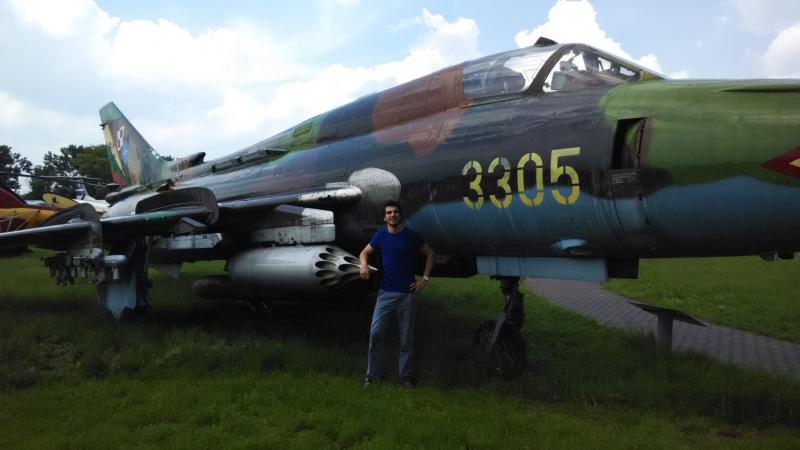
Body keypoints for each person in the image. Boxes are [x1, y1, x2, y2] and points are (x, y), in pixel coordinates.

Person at [359, 200, 434, 388]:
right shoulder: (380, 236)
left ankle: (405, 378)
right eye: (389, 213)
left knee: (406, 339)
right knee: (375, 334)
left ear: (400, 215)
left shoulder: (412, 236)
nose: (392, 215)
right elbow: (364, 253)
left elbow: (430, 254)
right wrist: (363, 265)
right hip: (385, 294)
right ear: (385, 217)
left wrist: (424, 279)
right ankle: (371, 376)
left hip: (407, 295)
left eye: (395, 212)